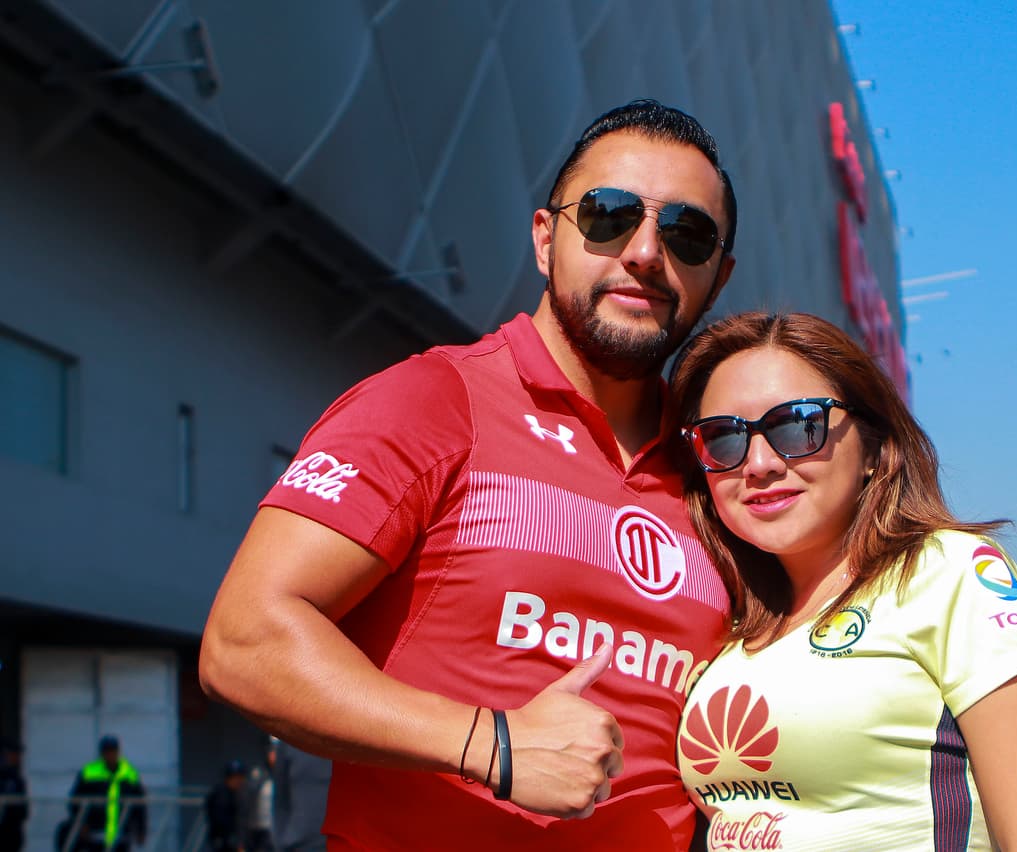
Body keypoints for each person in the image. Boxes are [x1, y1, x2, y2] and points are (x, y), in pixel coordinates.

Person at [199, 98, 738, 851]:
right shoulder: (433, 400)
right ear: (546, 239)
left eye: (688, 233)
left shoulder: (721, 473)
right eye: (610, 215)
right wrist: (493, 744)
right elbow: (244, 642)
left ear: (719, 274)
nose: (647, 252)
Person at [668, 312, 1017, 850]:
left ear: (872, 446)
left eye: (796, 425)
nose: (759, 463)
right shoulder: (729, 629)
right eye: (723, 438)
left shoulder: (949, 571)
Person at [65, 735, 146, 851]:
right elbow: (75, 802)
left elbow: (140, 805)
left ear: (118, 752)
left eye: (113, 751)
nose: (110, 755)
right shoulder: (89, 773)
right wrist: (81, 824)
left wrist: (141, 830)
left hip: (122, 834)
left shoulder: (129, 774)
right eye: (107, 751)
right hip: (95, 834)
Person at [271, 739, 330, 852]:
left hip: (338, 843)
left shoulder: (346, 739)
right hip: (298, 845)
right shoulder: (288, 743)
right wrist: (279, 843)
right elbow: (280, 800)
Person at [207, 760, 248, 851]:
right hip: (223, 841)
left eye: (240, 778)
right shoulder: (220, 794)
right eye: (235, 778)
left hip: (237, 840)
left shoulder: (240, 794)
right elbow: (218, 820)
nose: (239, 781)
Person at [0, 737, 27, 852]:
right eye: (14, 754)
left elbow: (23, 807)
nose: (18, 758)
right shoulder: (5, 776)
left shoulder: (16, 777)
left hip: (13, 831)